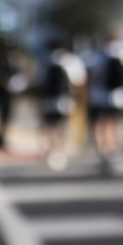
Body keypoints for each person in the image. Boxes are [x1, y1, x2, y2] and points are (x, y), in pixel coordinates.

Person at [87, 27, 123, 170]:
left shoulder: (99, 53)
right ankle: (115, 151)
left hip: (100, 96)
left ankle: (104, 153)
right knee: (116, 123)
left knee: (102, 124)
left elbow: (92, 76)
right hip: (121, 96)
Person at [37, 41, 86, 171]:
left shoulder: (45, 60)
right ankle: (60, 151)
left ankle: (50, 150)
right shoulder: (71, 61)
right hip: (65, 100)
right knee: (62, 126)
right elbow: (78, 82)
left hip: (48, 100)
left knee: (49, 126)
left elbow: (39, 84)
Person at [0, 36, 24, 150]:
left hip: (10, 94)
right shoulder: (0, 60)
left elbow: (18, 75)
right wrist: (5, 82)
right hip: (1, 93)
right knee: (2, 116)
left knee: (8, 116)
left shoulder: (15, 60)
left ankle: (1, 138)